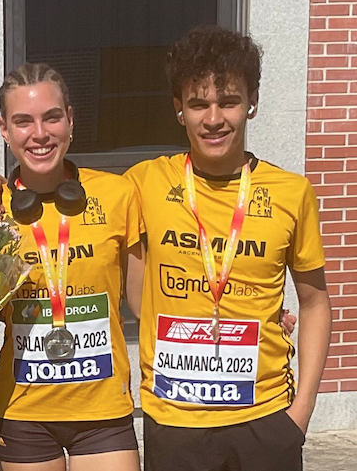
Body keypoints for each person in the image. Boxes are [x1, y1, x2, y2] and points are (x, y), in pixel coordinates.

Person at [124, 25, 331, 471]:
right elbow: (63, 197)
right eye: (198, 103)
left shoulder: (292, 192)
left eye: (229, 102)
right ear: (179, 108)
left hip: (267, 419)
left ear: (251, 103)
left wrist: (301, 413)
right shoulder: (144, 182)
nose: (213, 118)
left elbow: (315, 304)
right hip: (176, 419)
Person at [0, 63, 142, 471]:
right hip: (23, 412)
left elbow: (147, 303)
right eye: (23, 121)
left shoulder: (117, 194)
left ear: (71, 120)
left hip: (103, 409)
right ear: (4, 129)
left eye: (52, 117)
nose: (39, 134)